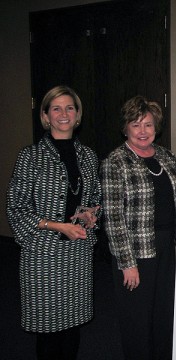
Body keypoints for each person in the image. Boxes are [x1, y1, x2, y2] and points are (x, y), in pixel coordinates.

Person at [6, 85, 102, 360]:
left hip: (77, 253)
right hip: (43, 255)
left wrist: (91, 214)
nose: (63, 114)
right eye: (56, 108)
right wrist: (58, 226)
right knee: (48, 332)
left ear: (77, 114)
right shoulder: (31, 156)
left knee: (72, 329)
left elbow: (95, 198)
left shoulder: (88, 156)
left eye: (69, 107)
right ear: (46, 116)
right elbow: (16, 207)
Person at [100, 95, 176, 360]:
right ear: (126, 128)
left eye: (148, 124)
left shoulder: (168, 157)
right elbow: (112, 217)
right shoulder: (116, 162)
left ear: (156, 126)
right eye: (136, 125)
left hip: (167, 250)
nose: (143, 131)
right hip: (136, 253)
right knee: (137, 319)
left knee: (164, 314)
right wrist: (127, 263)